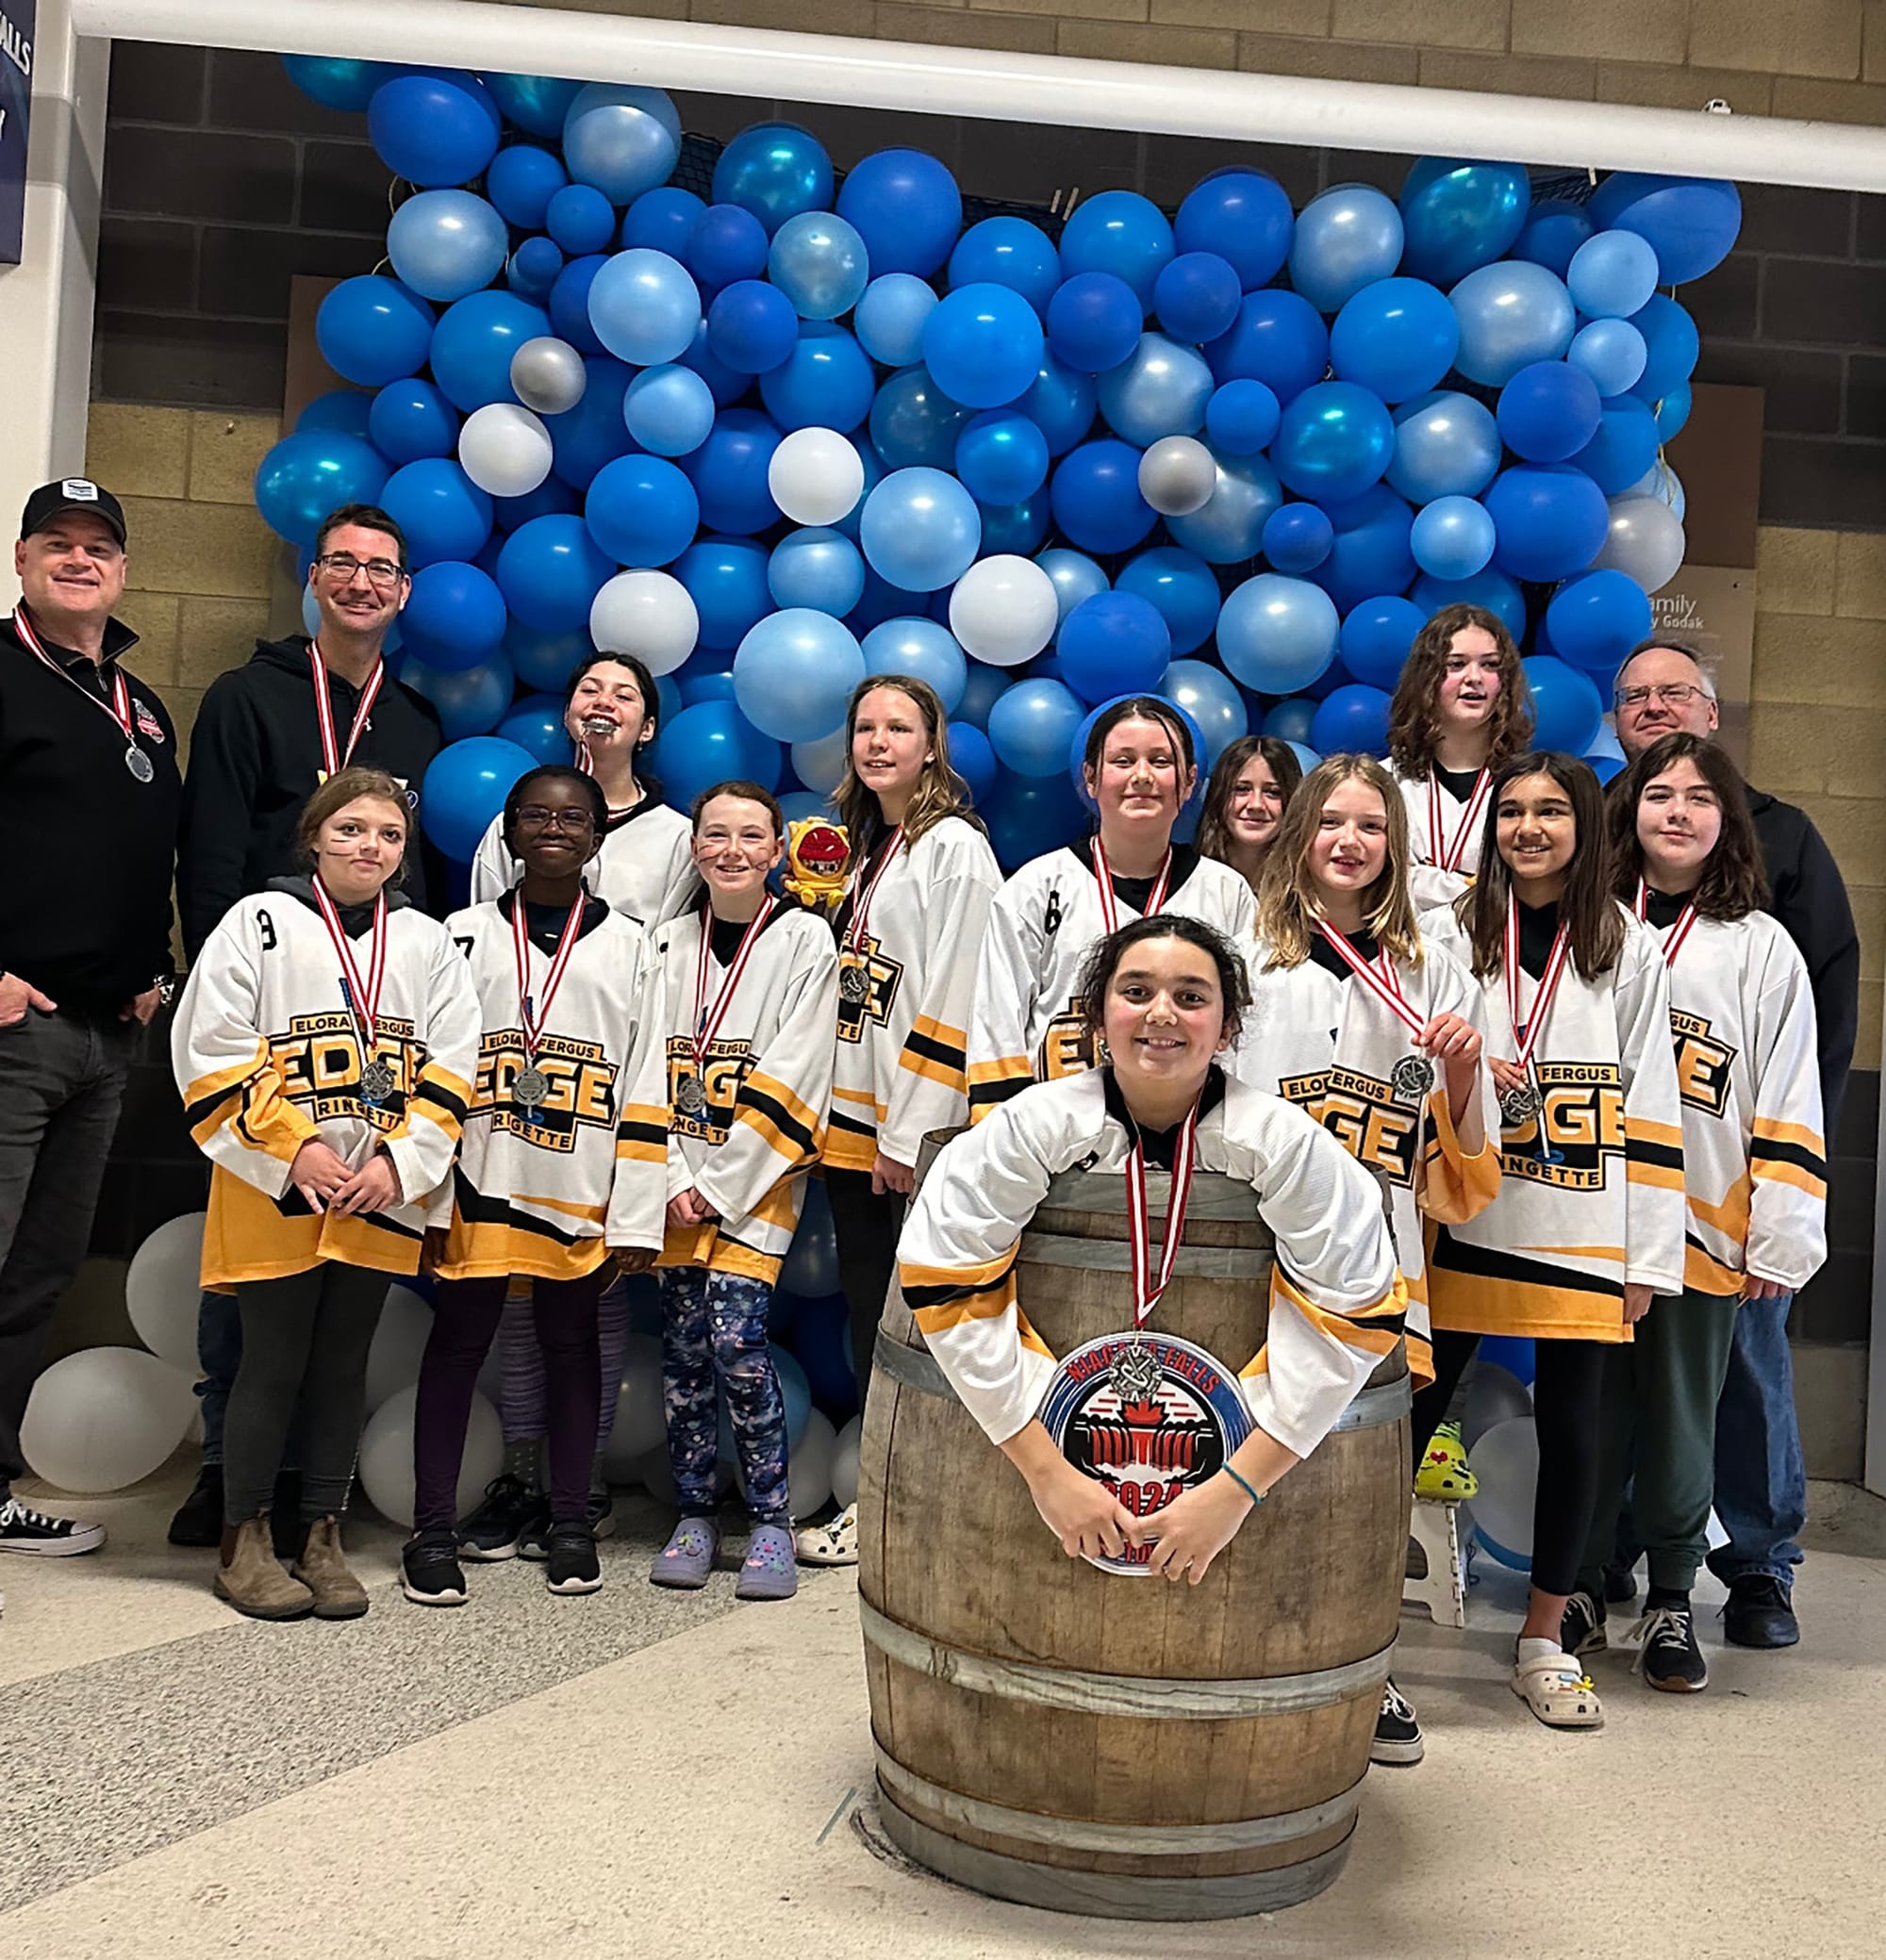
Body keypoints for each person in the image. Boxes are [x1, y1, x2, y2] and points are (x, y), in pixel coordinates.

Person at [897, 916, 1402, 1582]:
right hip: (1031, 1479)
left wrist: (1233, 1489)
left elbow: (1357, 1305)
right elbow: (942, 1268)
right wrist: (1049, 1470)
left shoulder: (1283, 1141)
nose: (1161, 1012)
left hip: (1250, 1500)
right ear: (1098, 1018)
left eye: (1191, 997)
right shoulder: (1032, 1125)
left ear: (1227, 1029)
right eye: (1136, 991)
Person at [170, 502, 444, 1549]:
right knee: (250, 1262)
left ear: (403, 589)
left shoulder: (413, 720)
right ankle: (220, 1471)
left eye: (383, 568)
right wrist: (215, 988)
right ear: (313, 576)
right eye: (344, 565)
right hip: (268, 1009)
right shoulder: (248, 697)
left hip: (370, 1021)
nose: (363, 583)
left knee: (336, 1289)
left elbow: (408, 873)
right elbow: (211, 851)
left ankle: (307, 1493)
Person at [1233, 753, 1501, 1765]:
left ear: (1393, 843)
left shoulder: (1428, 967)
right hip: (1254, 1263)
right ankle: (1242, 1657)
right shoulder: (1247, 953)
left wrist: (1468, 1071)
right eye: (1331, 822)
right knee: (1255, 1462)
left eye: (1372, 826)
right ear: (1299, 831)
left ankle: (1362, 1666)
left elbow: (1461, 1170)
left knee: (1361, 1480)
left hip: (1380, 1267)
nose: (1349, 841)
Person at [1417, 752, 1686, 1731]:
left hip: (1579, 1227)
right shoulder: (1449, 929)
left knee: (1575, 1434)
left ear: (1583, 826)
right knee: (1411, 1419)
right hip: (1464, 1214)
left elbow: (1655, 1110)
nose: (1528, 828)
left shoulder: (1625, 945)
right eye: (1512, 811)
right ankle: (1362, 1628)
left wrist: (1644, 1260)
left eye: (1550, 811)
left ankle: (1539, 1637)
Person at [173, 767, 479, 1620]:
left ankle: (322, 1532)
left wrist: (402, 1162)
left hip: (377, 1186)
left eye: (386, 834)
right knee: (268, 1359)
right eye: (349, 828)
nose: (368, 846)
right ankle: (245, 1537)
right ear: (312, 835)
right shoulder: (255, 923)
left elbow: (456, 1061)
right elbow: (211, 1043)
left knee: (344, 1362)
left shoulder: (424, 941)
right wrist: (293, 1147)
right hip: (276, 1181)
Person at [1559, 734, 1828, 1692]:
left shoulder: (1759, 946)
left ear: (1727, 822)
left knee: (1681, 1419)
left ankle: (1672, 1596)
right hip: (1590, 1219)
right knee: (1588, 1414)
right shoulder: (1588, 926)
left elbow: (1788, 1090)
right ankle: (1582, 1582)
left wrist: (1782, 1229)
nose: (1675, 812)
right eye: (1657, 794)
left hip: (1704, 1227)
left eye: (1697, 798)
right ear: (1626, 812)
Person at [1611, 637, 1858, 1650]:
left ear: (1712, 714)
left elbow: (1820, 1020)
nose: (1656, 707)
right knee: (1615, 1379)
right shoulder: (1597, 852)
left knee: (1745, 1376)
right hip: (1615, 1187)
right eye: (1636, 698)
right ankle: (1609, 1553)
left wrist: (1782, 1192)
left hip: (1730, 1185)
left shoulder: (1782, 838)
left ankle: (1756, 1564)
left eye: (1676, 693)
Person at [402, 766, 668, 1607]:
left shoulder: (633, 944)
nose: (556, 828)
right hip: (478, 1175)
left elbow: (647, 1080)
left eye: (574, 817)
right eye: (537, 815)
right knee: (456, 1348)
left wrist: (633, 1208)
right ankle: (432, 1530)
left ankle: (570, 1523)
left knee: (572, 1346)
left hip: (576, 1187)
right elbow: (424, 1060)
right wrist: (428, 1187)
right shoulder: (461, 934)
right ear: (510, 831)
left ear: (597, 835)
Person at [459, 652, 697, 1562]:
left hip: (605, 1095)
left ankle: (579, 1482)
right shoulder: (509, 823)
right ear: (567, 712)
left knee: (590, 1291)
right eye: (590, 689)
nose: (603, 704)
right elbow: (483, 948)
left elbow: (670, 970)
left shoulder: (675, 836)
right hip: (509, 1096)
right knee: (516, 1291)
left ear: (647, 727)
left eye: (625, 695)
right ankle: (522, 1472)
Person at [0, 480, 179, 1556]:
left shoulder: (141, 703)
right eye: (58, 544)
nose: (80, 560)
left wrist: (153, 969)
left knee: (37, 1273)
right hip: (15, 1028)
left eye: (99, 547)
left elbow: (139, 857)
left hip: (107, 1039)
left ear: (121, 570)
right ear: (22, 561)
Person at [797, 677, 1001, 1570]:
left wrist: (912, 1134)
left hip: (901, 1134)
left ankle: (912, 1513)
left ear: (933, 745)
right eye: (865, 728)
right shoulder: (863, 844)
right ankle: (887, 1504)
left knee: (913, 1322)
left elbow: (960, 991)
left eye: (899, 728)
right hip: (848, 1122)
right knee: (863, 1314)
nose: (878, 742)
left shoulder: (953, 848)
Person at [648, 782, 839, 1602]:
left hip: (752, 1182)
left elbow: (801, 1068)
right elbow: (636, 1061)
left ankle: (768, 1518)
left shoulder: (802, 941)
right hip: (668, 1176)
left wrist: (720, 1181)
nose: (731, 849)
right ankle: (694, 1511)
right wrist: (670, 1175)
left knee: (737, 1343)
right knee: (683, 1347)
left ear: (776, 850)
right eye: (715, 834)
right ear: (695, 848)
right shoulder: (661, 944)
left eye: (749, 835)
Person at [966, 697, 1256, 1123]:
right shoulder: (1036, 886)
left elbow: (1240, 1031)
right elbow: (996, 1023)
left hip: (1189, 1140)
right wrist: (1003, 1133)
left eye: (1160, 761)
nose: (1142, 776)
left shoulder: (1226, 892)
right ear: (1090, 777)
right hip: (1055, 1136)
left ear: (1190, 780)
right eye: (1123, 761)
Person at [1386, 603, 1535, 912]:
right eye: (1456, 664)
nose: (1474, 678)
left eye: (1491, 665)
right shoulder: (1385, 782)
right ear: (1426, 677)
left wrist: (1424, 881)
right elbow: (1379, 880)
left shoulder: (1529, 785)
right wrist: (1470, 887)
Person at [1195, 735, 1303, 897]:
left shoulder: (1309, 891)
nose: (1256, 805)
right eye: (1241, 789)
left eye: (1273, 792)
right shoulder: (1191, 880)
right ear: (1219, 796)